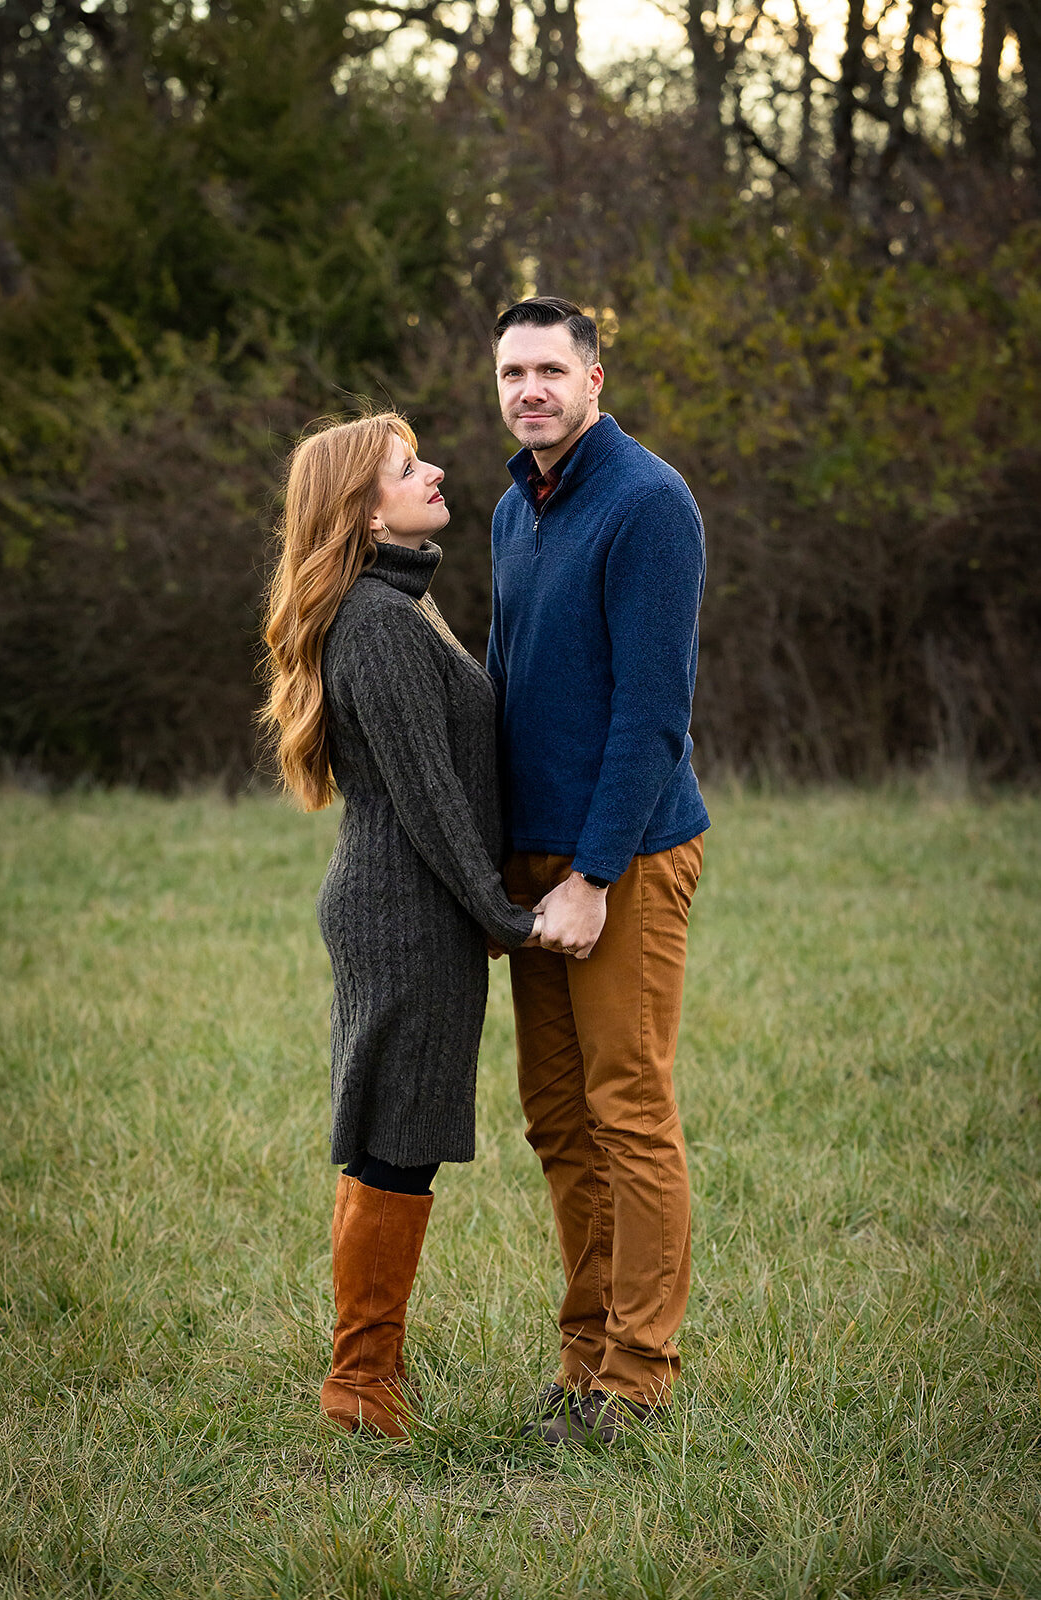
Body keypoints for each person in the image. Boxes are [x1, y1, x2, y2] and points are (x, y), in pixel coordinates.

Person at [260, 412, 540, 1440]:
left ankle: (366, 1372)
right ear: (361, 513)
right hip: (404, 911)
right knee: (394, 1141)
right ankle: (360, 1384)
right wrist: (501, 914)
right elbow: (428, 797)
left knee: (389, 1134)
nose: (430, 473)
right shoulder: (376, 624)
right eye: (404, 467)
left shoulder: (392, 605)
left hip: (405, 904)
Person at [487, 297, 710, 1445]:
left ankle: (638, 1375)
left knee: (627, 1110)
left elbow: (650, 714)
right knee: (556, 1120)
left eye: (548, 370)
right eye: (511, 371)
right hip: (531, 864)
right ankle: (581, 1360)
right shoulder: (508, 509)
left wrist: (591, 873)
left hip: (621, 855)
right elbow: (502, 688)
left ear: (593, 378)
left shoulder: (646, 504)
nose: (528, 389)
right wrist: (497, 869)